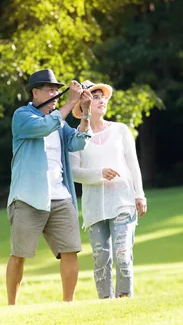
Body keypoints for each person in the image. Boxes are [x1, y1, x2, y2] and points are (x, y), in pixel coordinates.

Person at [5, 69, 92, 305]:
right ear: (35, 92)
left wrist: (85, 113)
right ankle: (11, 307)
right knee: (20, 254)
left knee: (70, 249)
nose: (55, 93)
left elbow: (77, 142)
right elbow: (44, 127)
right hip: (28, 197)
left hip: (60, 196)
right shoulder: (22, 115)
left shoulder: (59, 121)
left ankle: (68, 304)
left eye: (56, 89)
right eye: (50, 89)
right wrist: (71, 101)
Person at [69, 80, 147, 299]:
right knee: (101, 259)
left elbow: (133, 165)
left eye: (102, 96)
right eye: (94, 97)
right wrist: (99, 174)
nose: (101, 100)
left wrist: (139, 194)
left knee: (122, 254)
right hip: (94, 207)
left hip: (123, 201)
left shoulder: (121, 130)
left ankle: (124, 301)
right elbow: (74, 172)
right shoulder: (76, 138)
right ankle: (105, 304)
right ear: (83, 104)